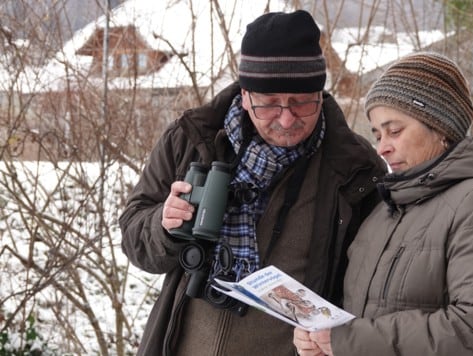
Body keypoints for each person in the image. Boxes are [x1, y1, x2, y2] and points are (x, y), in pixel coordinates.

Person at [119, 9, 386, 356]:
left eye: (301, 103)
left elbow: (375, 291)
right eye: (270, 104)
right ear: (245, 96)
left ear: (320, 94)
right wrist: (163, 226)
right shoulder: (190, 140)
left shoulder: (356, 170)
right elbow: (133, 235)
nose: (287, 119)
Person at [293, 52, 473, 356]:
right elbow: (364, 316)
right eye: (378, 134)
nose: (382, 148)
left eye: (394, 131)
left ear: (442, 127)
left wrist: (349, 340)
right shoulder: (385, 211)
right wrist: (323, 337)